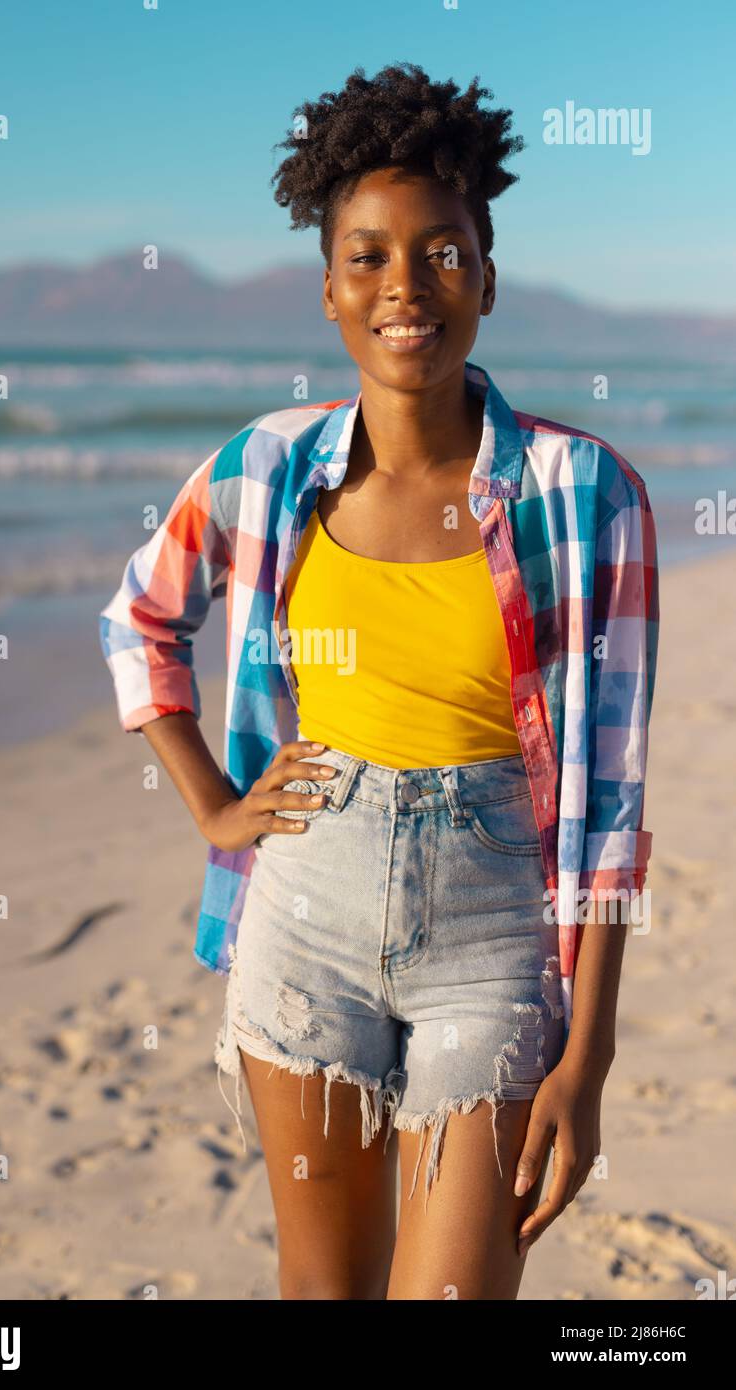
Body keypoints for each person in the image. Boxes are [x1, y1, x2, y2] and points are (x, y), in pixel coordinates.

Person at [99, 62, 659, 1300]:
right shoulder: (263, 469)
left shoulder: (588, 496)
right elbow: (138, 618)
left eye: (443, 252)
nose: (407, 286)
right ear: (331, 288)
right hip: (306, 911)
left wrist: (592, 1057)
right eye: (368, 256)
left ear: (489, 277)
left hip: (496, 927)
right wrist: (212, 802)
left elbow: (611, 807)